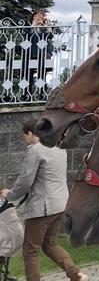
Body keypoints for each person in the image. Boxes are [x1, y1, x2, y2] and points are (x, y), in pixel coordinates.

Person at [1, 119, 88, 281]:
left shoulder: (35, 151)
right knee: (50, 245)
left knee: (30, 251)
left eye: (24, 136)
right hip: (60, 205)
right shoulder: (59, 148)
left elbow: (25, 180)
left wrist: (10, 194)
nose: (25, 140)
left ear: (30, 134)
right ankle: (76, 274)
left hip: (42, 208)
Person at [20, 9, 54, 101]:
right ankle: (27, 97)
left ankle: (43, 96)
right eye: (37, 16)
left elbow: (50, 36)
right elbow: (26, 35)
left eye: (41, 16)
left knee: (42, 76)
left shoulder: (44, 29)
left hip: (42, 53)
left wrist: (47, 24)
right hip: (30, 53)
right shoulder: (28, 26)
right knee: (28, 76)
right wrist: (34, 26)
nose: (39, 18)